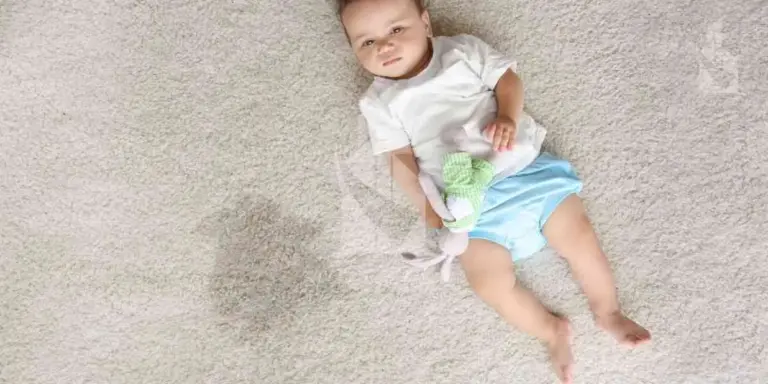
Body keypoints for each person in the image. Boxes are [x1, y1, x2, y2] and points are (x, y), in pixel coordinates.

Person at [337, 0, 651, 382]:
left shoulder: (460, 51)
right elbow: (400, 161)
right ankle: (551, 331)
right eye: (366, 42)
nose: (383, 47)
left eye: (396, 30)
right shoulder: (378, 101)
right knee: (487, 282)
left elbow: (508, 81)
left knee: (579, 235)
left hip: (522, 170)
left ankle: (608, 311)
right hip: (472, 208)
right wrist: (429, 210)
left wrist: (506, 116)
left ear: (425, 21)